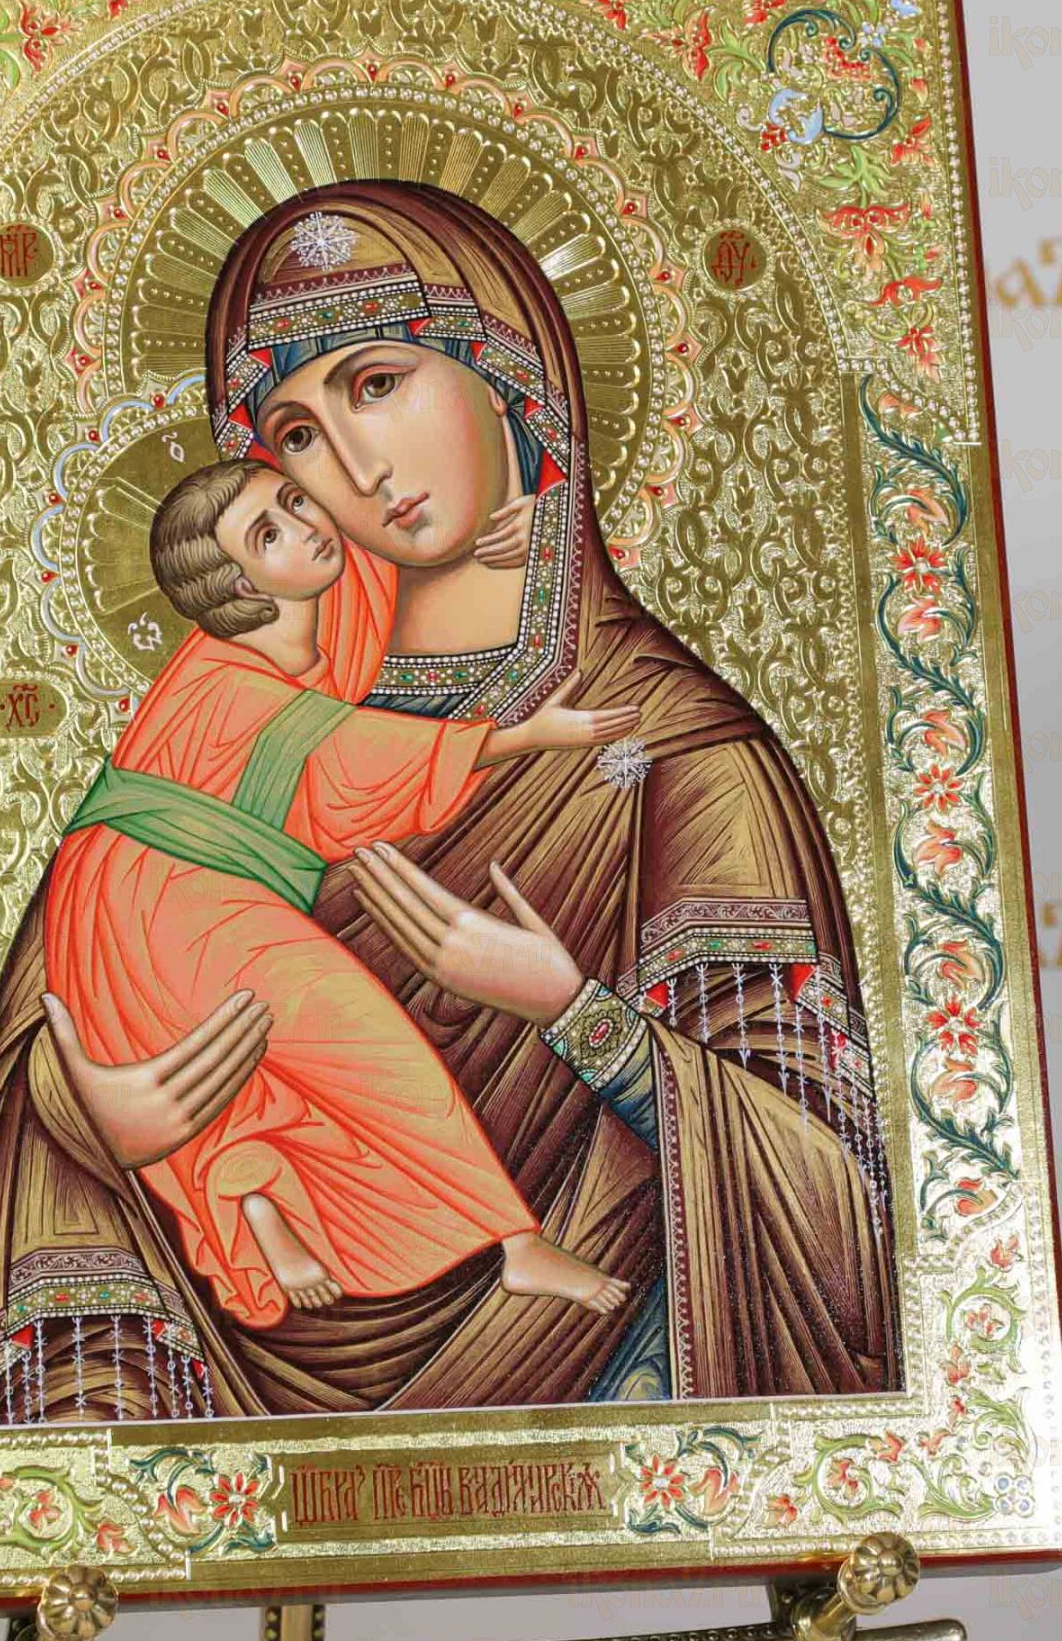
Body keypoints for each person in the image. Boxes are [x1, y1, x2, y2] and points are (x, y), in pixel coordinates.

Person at [0, 181, 899, 1426]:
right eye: (296, 436)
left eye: (377, 384)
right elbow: (80, 975)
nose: (358, 468)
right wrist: (85, 1111)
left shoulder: (674, 745)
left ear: (507, 374)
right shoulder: (225, 716)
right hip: (237, 1379)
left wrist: (569, 1010)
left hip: (602, 1389)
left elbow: (832, 1192)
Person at [45, 454, 638, 1331]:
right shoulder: (229, 679)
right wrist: (526, 736)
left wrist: (545, 526)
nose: (308, 525)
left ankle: (253, 1187)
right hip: (165, 895)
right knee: (365, 1047)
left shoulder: (313, 621)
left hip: (152, 889)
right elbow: (353, 760)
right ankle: (514, 1243)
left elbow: (378, 541)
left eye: (293, 501)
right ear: (237, 584)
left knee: (265, 1056)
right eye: (270, 533)